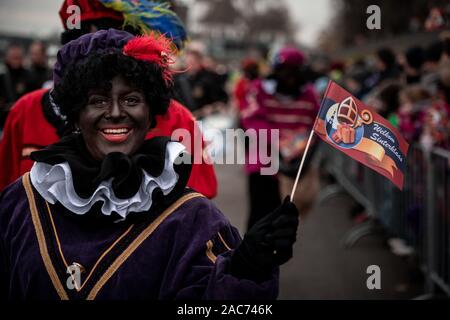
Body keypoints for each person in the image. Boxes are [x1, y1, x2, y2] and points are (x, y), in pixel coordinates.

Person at [0, 29, 299, 300]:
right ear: (76, 112)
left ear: (151, 111)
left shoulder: (194, 218)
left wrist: (245, 270)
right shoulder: (22, 200)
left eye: (131, 99)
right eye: (98, 100)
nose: (115, 112)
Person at [0, 0, 217, 198]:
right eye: (87, 39)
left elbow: (197, 201)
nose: (114, 113)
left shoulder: (179, 118)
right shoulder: (26, 111)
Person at [241, 47, 320, 228]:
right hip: (263, 163)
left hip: (295, 164)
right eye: (285, 71)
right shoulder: (259, 89)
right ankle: (252, 255)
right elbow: (252, 120)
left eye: (293, 72)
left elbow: (315, 125)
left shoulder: (309, 94)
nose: (289, 77)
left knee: (284, 222)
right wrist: (279, 141)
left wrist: (302, 145)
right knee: (260, 218)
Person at [0, 44, 32, 131]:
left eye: (18, 57)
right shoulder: (2, 77)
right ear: (7, 57)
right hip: (4, 121)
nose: (16, 60)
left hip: (23, 120)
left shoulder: (29, 76)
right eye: (13, 57)